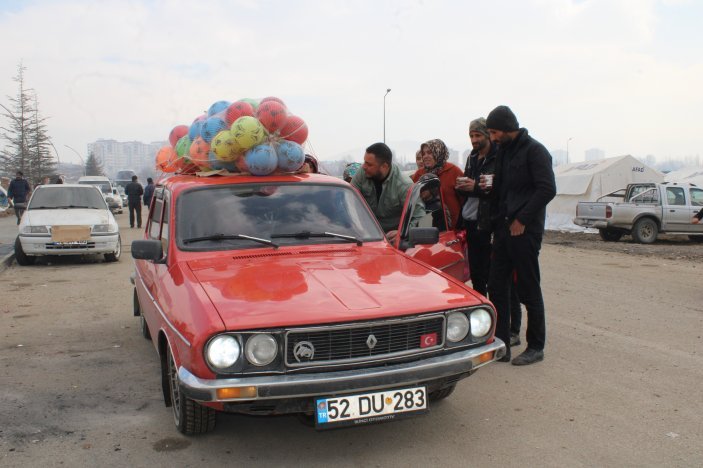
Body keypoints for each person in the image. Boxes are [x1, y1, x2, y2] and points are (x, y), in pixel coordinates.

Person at [484, 105, 556, 366]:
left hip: (525, 231)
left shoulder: (535, 151)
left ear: (506, 128)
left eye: (493, 132)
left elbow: (547, 189)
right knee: (497, 286)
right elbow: (503, 189)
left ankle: (536, 346)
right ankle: (502, 344)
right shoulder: (503, 151)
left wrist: (522, 219)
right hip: (503, 229)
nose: (492, 138)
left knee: (528, 288)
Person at [456, 118, 497, 296]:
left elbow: (498, 190)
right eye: (471, 135)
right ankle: (481, 315)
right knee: (477, 275)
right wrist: (461, 186)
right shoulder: (472, 157)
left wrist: (475, 187)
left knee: (493, 277)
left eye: (478, 135)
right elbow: (470, 185)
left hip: (489, 223)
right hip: (472, 222)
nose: (474, 140)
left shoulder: (497, 157)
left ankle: (498, 317)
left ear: (487, 134)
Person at [351, 142, 413, 243]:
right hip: (363, 236)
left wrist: (402, 232)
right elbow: (348, 201)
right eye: (364, 162)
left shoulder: (404, 186)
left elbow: (418, 217)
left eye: (369, 164)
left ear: (384, 166)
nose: (363, 167)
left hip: (393, 241)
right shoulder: (362, 173)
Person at [411, 139, 464, 230]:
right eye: (424, 153)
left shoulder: (454, 171)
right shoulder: (419, 175)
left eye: (429, 153)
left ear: (439, 153)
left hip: (452, 230)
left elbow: (464, 200)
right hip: (426, 229)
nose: (425, 156)